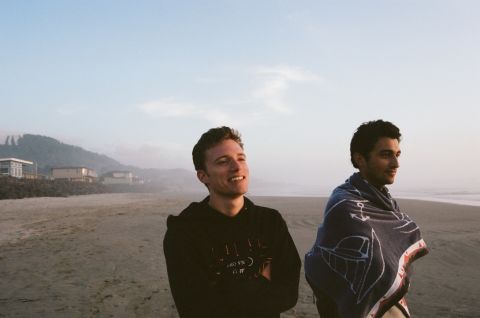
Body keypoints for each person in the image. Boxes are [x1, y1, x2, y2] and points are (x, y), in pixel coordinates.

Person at [164, 126, 301, 318]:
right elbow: (193, 307)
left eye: (241, 158)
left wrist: (225, 290)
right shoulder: (184, 231)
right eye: (223, 161)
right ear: (203, 176)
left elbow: (288, 293)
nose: (237, 167)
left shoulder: (270, 221)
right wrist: (260, 288)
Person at [305, 120, 428, 318]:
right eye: (386, 154)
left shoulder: (386, 204)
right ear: (360, 159)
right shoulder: (344, 205)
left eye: (397, 155)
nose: (396, 164)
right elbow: (337, 265)